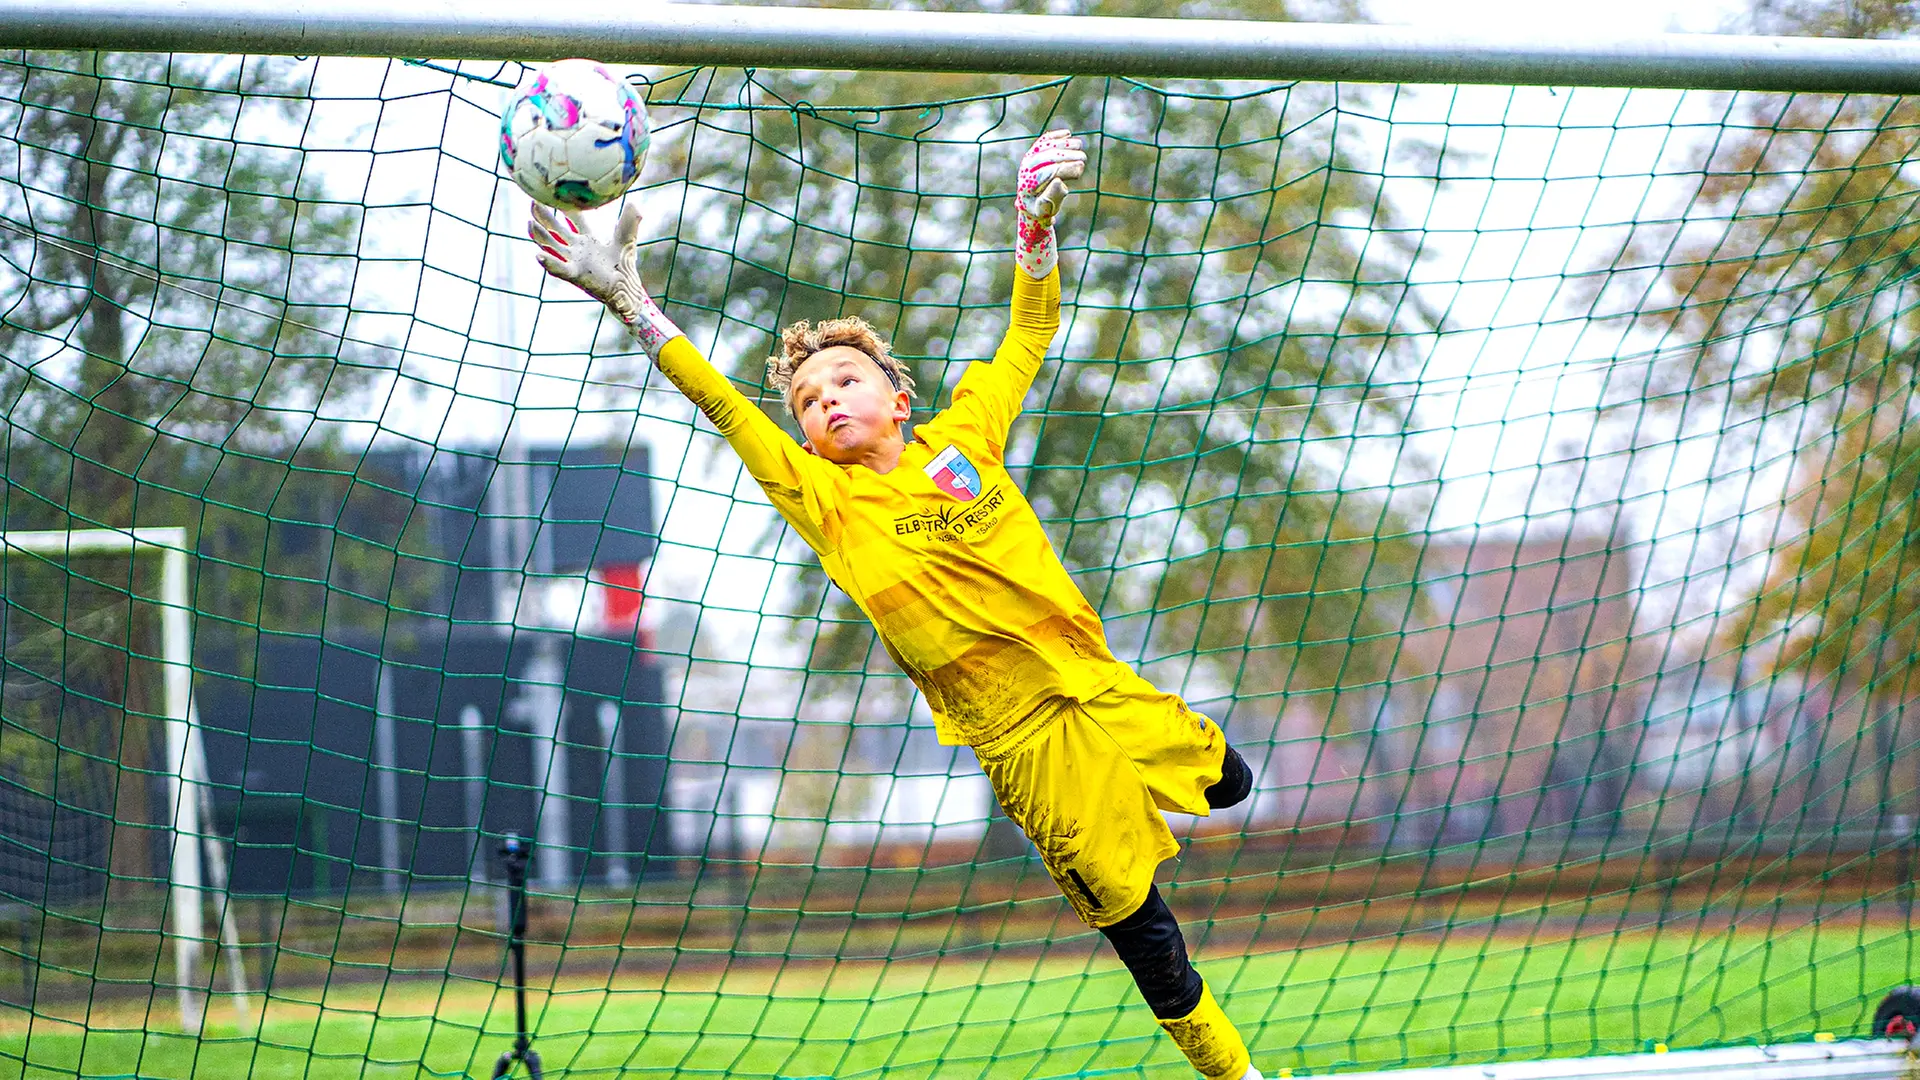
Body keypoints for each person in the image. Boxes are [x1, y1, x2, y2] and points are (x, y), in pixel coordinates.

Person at [528, 129, 1263, 1080]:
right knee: (1144, 935)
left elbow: (1028, 334)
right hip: (1021, 744)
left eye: (844, 380)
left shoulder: (968, 442)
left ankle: (1158, 807)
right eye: (804, 399)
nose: (823, 400)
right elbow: (723, 405)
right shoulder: (826, 501)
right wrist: (635, 303)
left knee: (1235, 786)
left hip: (1100, 687)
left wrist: (1032, 231)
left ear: (898, 396)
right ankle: (1232, 1073)